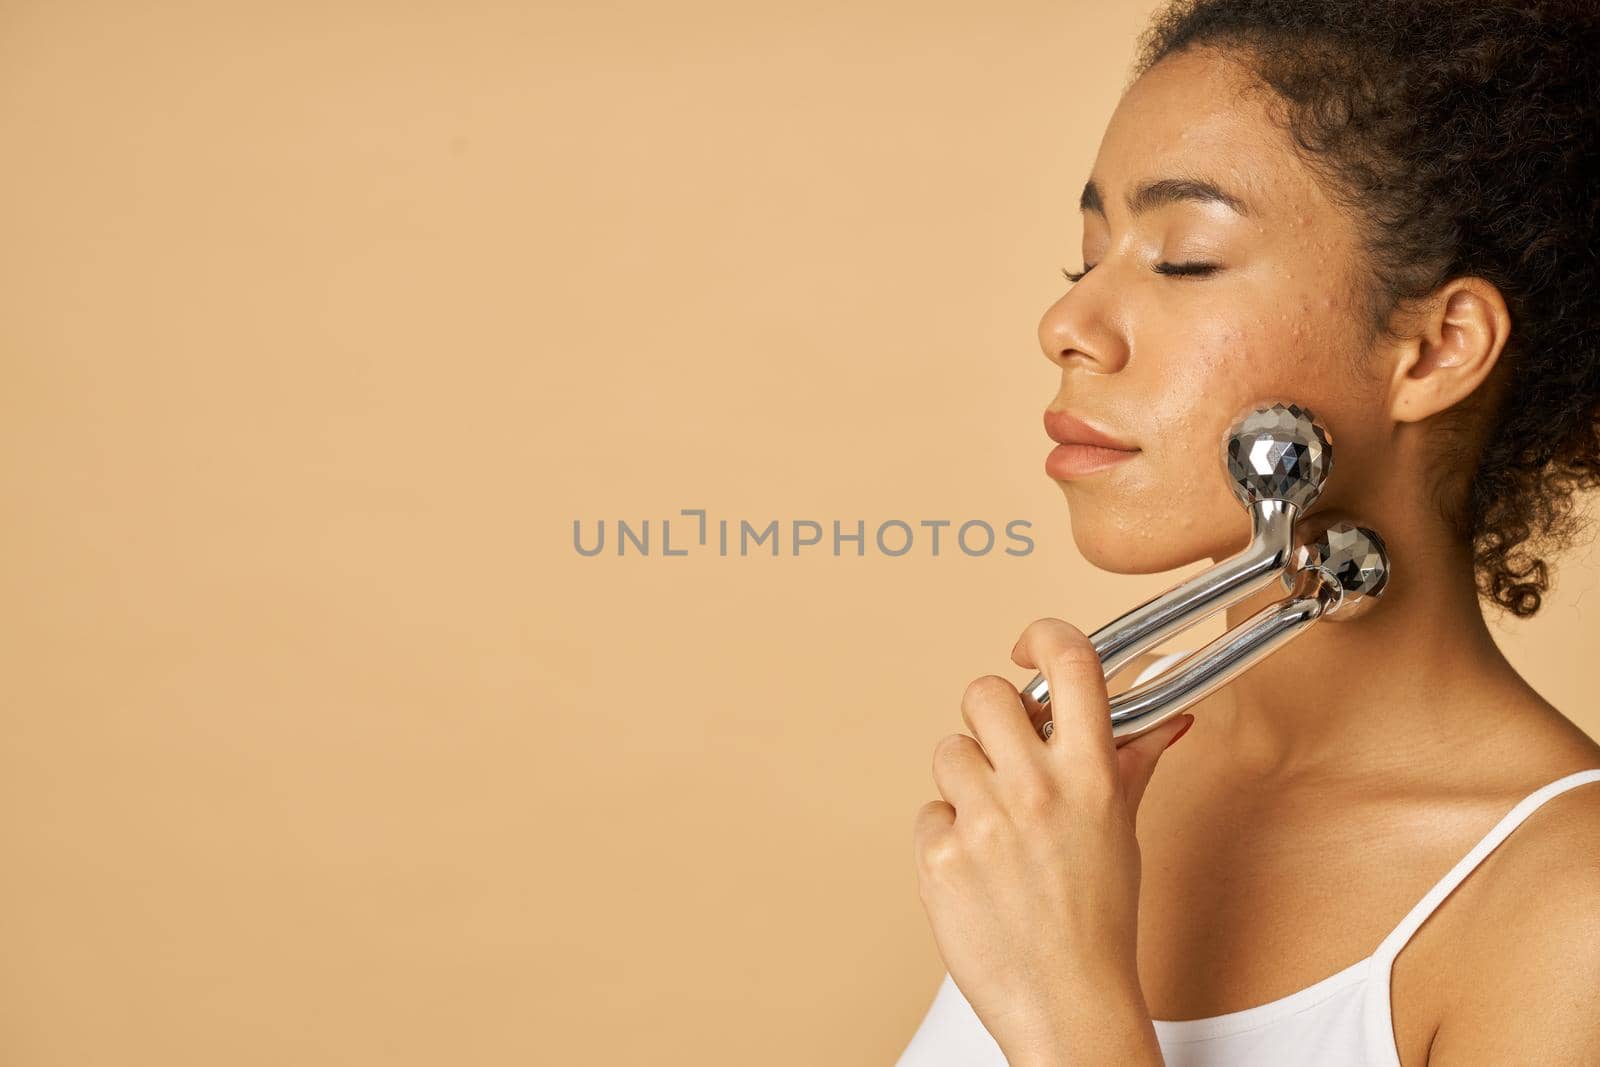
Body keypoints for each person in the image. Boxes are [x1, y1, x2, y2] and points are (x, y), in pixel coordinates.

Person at [897, 1, 1600, 1064]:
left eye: (1183, 259)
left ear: (1431, 349)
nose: (1068, 324)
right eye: (1085, 258)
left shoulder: (1566, 911)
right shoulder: (1088, 803)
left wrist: (1068, 1004)